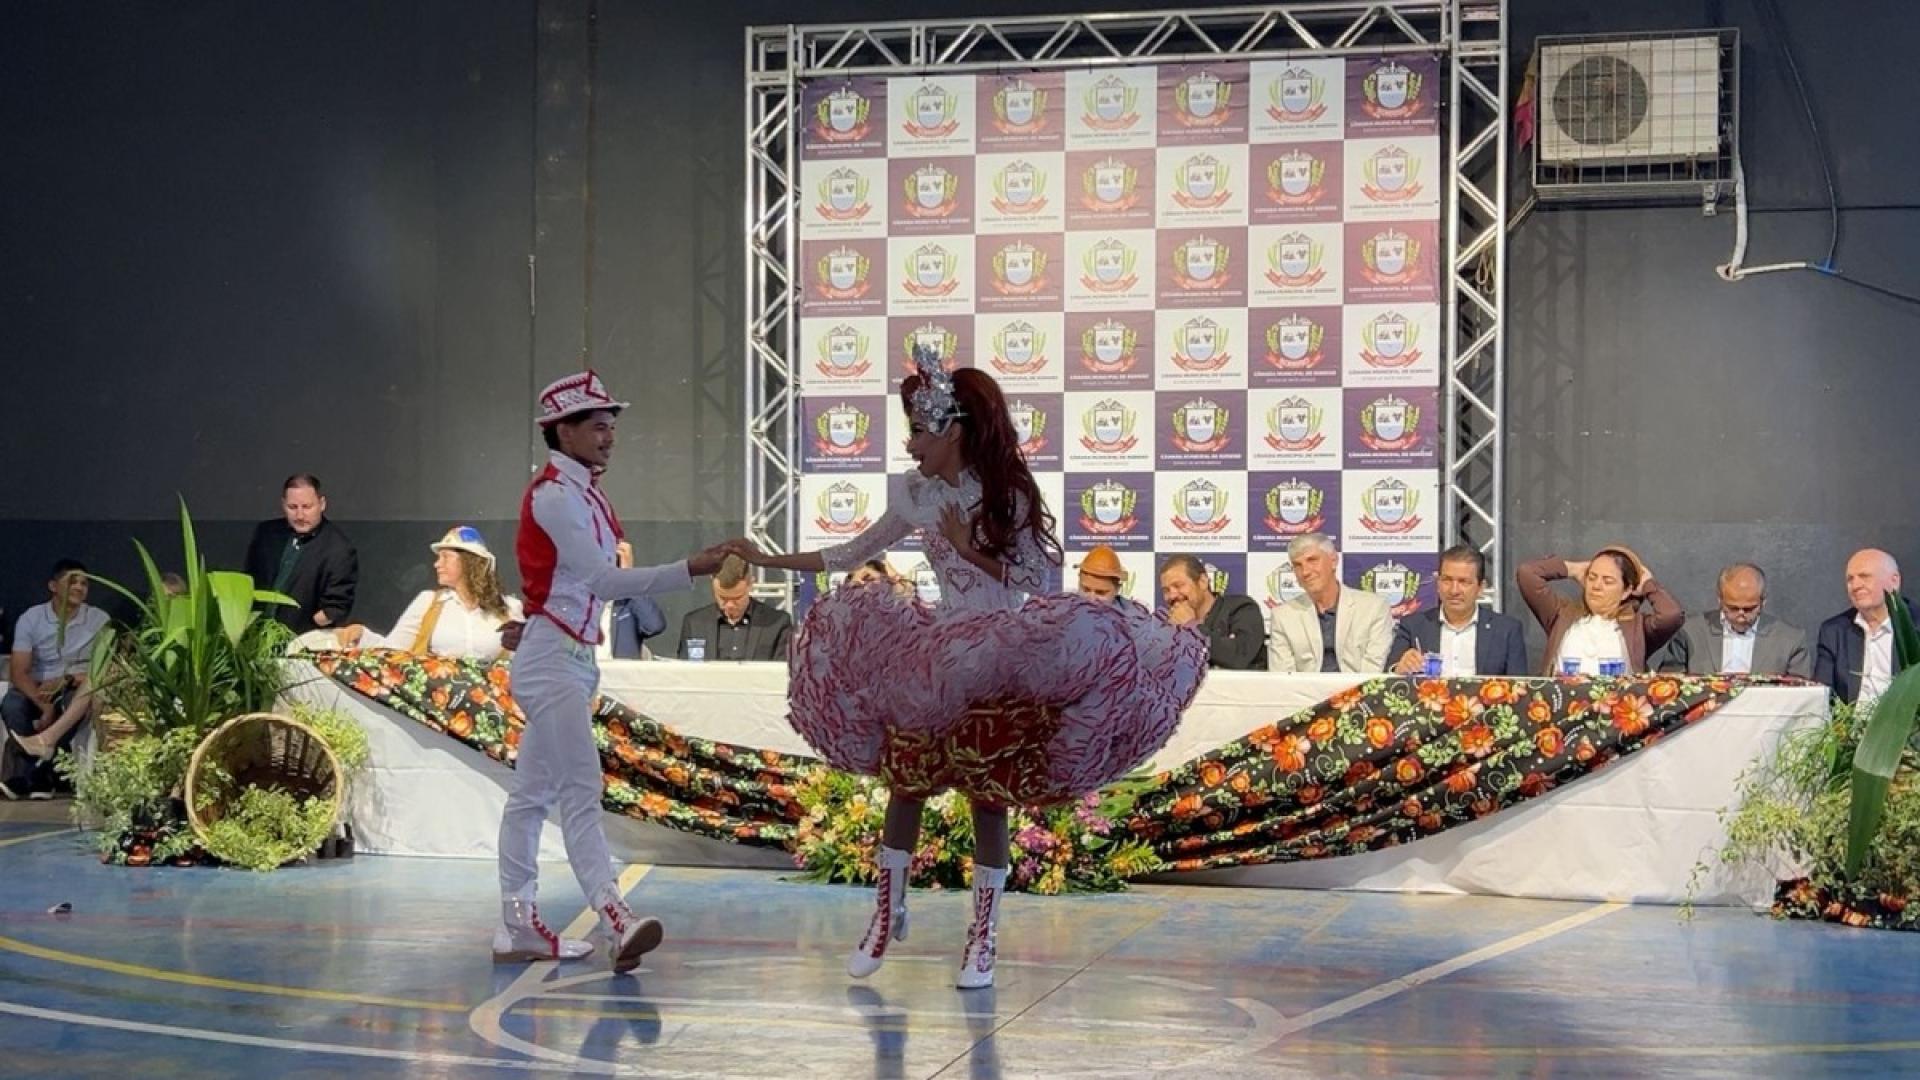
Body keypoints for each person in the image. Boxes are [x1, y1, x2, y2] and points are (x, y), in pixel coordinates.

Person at [742, 349, 1206, 990]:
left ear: (952, 432)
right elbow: (849, 552)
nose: (910, 445)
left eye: (919, 431)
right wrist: (765, 560)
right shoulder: (918, 495)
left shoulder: (1005, 494)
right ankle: (885, 913)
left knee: (990, 799)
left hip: (1001, 658)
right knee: (905, 784)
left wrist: (968, 549)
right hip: (936, 656)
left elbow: (1040, 580)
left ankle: (982, 937)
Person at [494, 370, 740, 971]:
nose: (609, 435)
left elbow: (567, 583)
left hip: (569, 658)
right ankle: (615, 917)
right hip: (553, 662)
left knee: (531, 797)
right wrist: (690, 568)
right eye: (597, 425)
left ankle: (517, 924)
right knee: (580, 790)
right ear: (564, 431)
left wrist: (536, 618)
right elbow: (603, 581)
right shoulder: (556, 496)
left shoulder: (585, 494)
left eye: (611, 425)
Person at [3, 559, 110, 799]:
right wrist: (45, 706)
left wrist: (68, 679)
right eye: (72, 582)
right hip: (38, 686)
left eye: (84, 583)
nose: (79, 587)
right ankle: (40, 777)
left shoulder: (99, 620)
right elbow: (18, 671)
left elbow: (103, 669)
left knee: (78, 704)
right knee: (12, 705)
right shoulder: (31, 618)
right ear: (53, 586)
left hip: (75, 685)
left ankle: (30, 777)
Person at [334, 527, 522, 661]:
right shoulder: (428, 602)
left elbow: (522, 660)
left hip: (493, 702)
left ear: (469, 562)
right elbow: (395, 649)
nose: (437, 564)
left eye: (446, 557)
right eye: (438, 557)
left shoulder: (509, 609)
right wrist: (362, 635)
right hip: (442, 701)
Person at [1516, 547, 1683, 675]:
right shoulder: (1561, 614)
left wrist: (1648, 585)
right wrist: (1573, 569)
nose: (1596, 586)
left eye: (1607, 581)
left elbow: (1671, 616)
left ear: (1626, 591)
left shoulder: (1638, 627)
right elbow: (1527, 574)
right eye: (1592, 577)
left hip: (1618, 709)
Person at [1388, 544, 1530, 677]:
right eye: (1447, 580)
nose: (1454, 590)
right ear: (1438, 583)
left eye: (1464, 582)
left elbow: (1519, 686)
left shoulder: (1506, 630)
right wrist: (1399, 669)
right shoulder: (1413, 626)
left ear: (1480, 588)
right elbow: (1387, 678)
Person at [244, 474, 359, 634]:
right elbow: (248, 581)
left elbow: (336, 607)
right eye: (292, 507)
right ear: (283, 504)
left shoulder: (339, 549)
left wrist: (311, 628)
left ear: (322, 504)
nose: (299, 515)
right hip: (254, 633)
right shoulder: (266, 533)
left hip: (301, 638)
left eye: (306, 507)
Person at [1266, 534, 1393, 673]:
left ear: (1333, 561)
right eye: (1297, 565)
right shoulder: (1283, 616)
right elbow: (1283, 676)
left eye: (1312, 560)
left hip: (1358, 687)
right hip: (1305, 687)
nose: (1305, 572)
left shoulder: (1374, 608)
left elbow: (1372, 671)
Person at [1660, 563, 1809, 677]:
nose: (1740, 615)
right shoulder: (1690, 632)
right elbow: (1668, 683)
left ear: (1763, 602)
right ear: (1720, 600)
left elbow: (1800, 695)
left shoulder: (1790, 640)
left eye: (1749, 609)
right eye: (1732, 608)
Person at [1814, 548, 1908, 705]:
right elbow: (1823, 696)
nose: (1855, 585)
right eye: (1850, 579)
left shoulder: (1914, 626)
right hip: (1849, 720)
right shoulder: (1834, 631)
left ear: (1894, 581)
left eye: (1865, 576)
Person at [676, 554, 793, 661]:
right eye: (723, 598)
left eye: (737, 598)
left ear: (750, 584)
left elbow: (782, 672)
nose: (730, 605)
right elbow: (683, 673)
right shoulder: (694, 623)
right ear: (712, 584)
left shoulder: (777, 623)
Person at [1159, 555, 1268, 669]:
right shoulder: (1167, 627)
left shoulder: (1242, 608)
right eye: (1166, 590)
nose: (1172, 595)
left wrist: (1192, 627)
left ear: (1203, 582)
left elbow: (1240, 656)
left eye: (1178, 586)